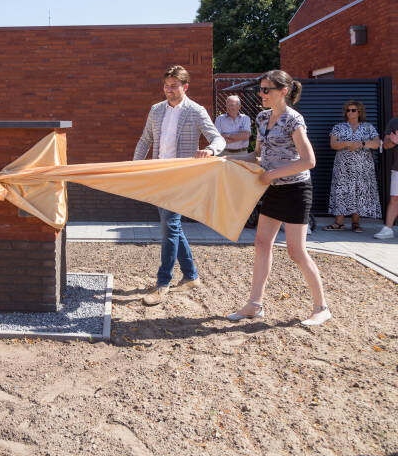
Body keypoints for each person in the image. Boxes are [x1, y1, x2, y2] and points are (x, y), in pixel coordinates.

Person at [228, 70, 330, 326]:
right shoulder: (262, 118)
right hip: (273, 189)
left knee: (296, 251)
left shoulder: (294, 119)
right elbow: (257, 156)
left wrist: (271, 174)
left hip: (296, 191)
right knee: (262, 244)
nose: (261, 94)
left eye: (266, 90)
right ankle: (254, 304)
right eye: (260, 90)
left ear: (283, 91)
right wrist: (224, 160)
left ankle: (321, 307)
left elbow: (309, 161)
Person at [133, 65, 226, 306]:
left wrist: (209, 149)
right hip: (159, 176)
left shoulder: (196, 111)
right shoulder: (155, 110)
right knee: (171, 226)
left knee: (169, 227)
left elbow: (218, 138)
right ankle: (191, 276)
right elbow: (146, 139)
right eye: (166, 86)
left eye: (174, 86)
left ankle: (162, 283)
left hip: (182, 178)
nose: (168, 90)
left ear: (185, 87)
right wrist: (135, 166)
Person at [324, 100, 381, 232]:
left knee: (359, 193)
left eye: (353, 110)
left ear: (359, 112)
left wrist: (362, 144)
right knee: (341, 191)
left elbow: (377, 143)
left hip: (363, 168)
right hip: (343, 167)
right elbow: (333, 144)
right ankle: (339, 223)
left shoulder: (368, 127)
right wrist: (349, 143)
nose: (350, 112)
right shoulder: (339, 127)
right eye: (348, 110)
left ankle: (356, 223)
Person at [374, 117, 398, 240]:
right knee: (395, 198)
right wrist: (393, 141)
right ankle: (388, 229)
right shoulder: (394, 122)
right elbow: (386, 145)